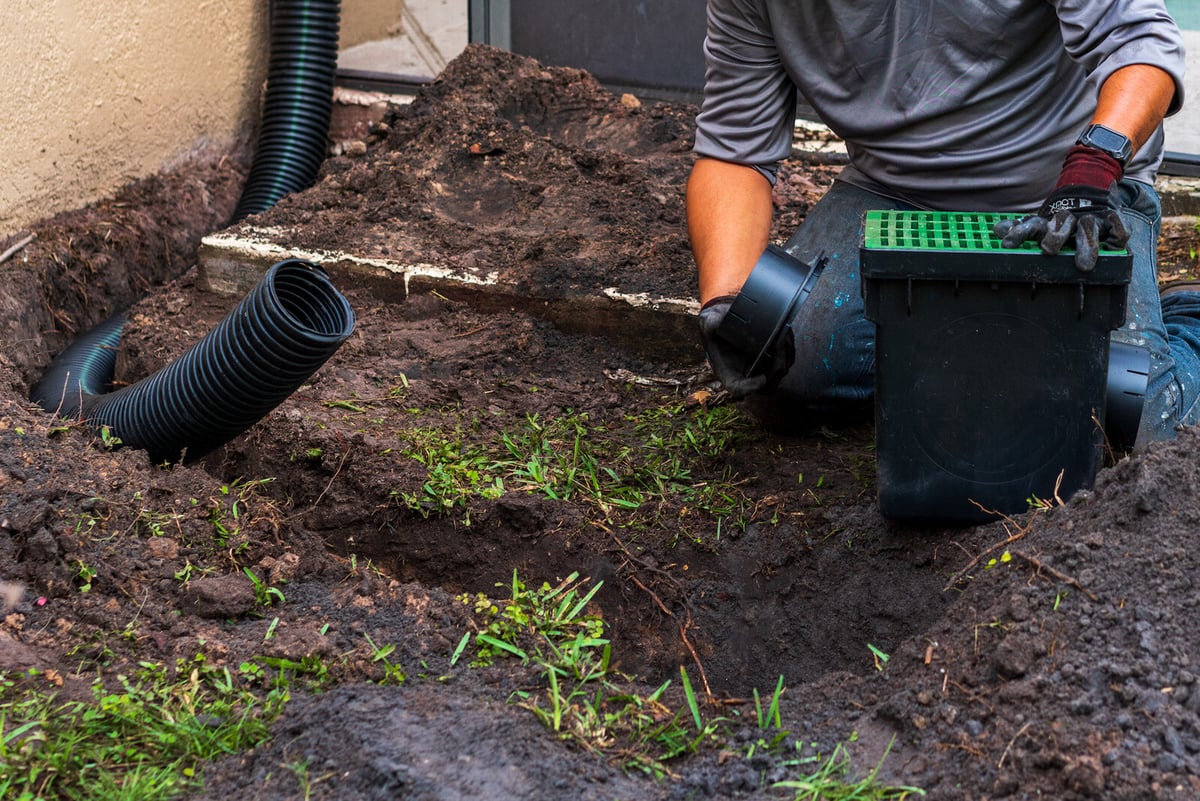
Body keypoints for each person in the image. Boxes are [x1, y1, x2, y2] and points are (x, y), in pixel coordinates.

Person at [690, 1, 1192, 447]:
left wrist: (1091, 168)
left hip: (1074, 197)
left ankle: (1188, 319)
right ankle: (995, 344)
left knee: (1123, 417)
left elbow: (1142, 46)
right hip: (892, 195)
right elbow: (736, 151)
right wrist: (729, 302)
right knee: (786, 371)